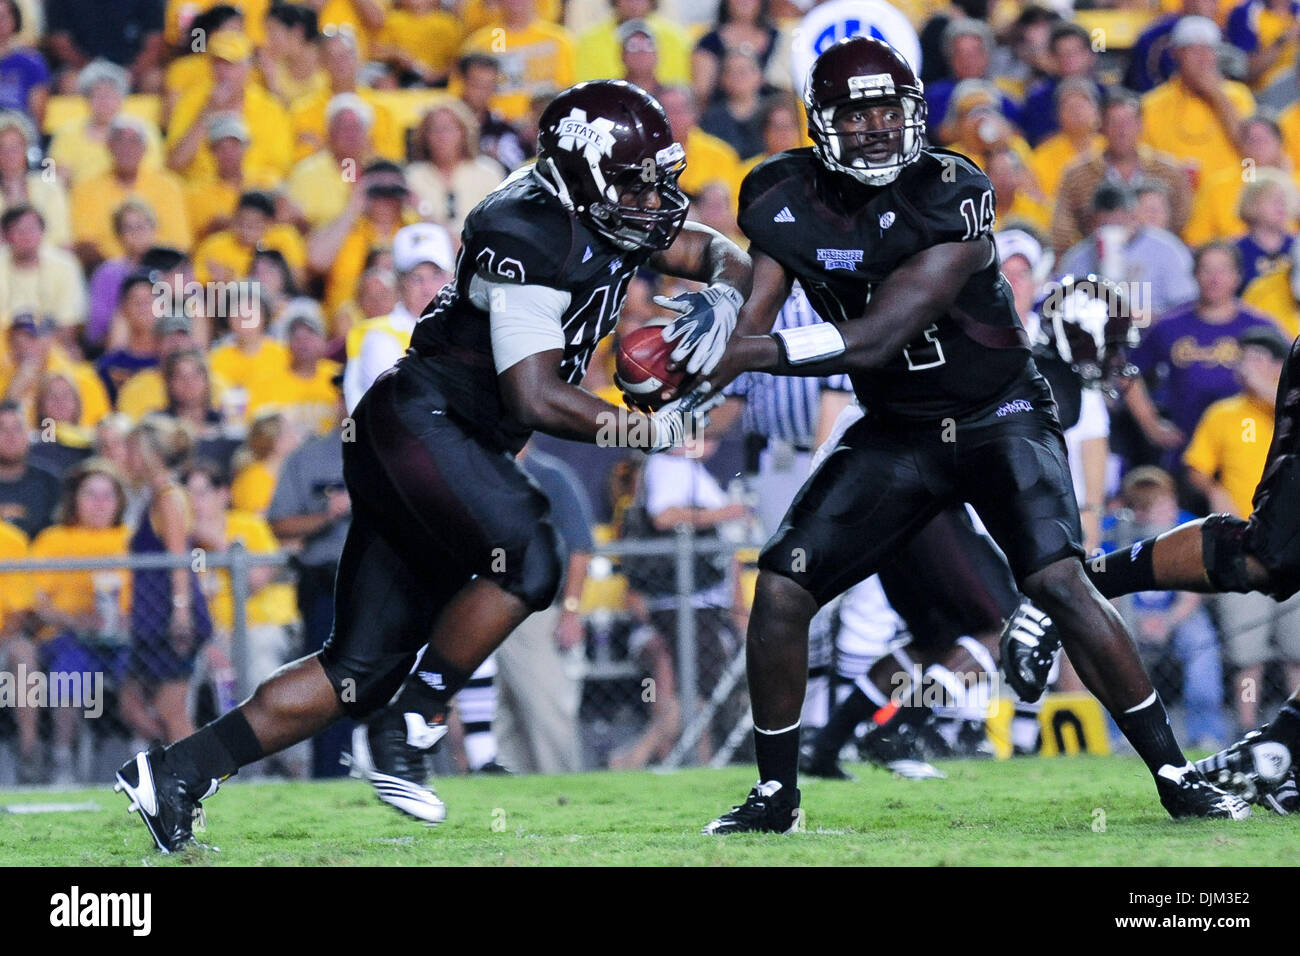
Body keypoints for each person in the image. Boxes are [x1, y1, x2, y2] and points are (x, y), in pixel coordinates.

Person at [113, 79, 747, 852]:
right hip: (420, 425)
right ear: (584, 171)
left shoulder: (610, 212)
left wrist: (724, 296)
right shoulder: (523, 226)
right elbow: (537, 394)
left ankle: (177, 772)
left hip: (441, 447)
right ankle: (415, 717)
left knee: (356, 670)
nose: (655, 197)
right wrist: (647, 432)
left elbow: (712, 248)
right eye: (638, 178)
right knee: (532, 557)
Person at [695, 36, 1248, 834]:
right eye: (861, 115)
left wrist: (739, 354)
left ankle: (1174, 774)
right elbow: (756, 311)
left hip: (999, 417)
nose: (881, 129)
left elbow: (879, 336)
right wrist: (698, 365)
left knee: (1059, 582)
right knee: (781, 587)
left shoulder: (952, 188)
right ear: (822, 125)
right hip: (897, 431)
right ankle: (777, 794)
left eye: (892, 110)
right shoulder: (781, 193)